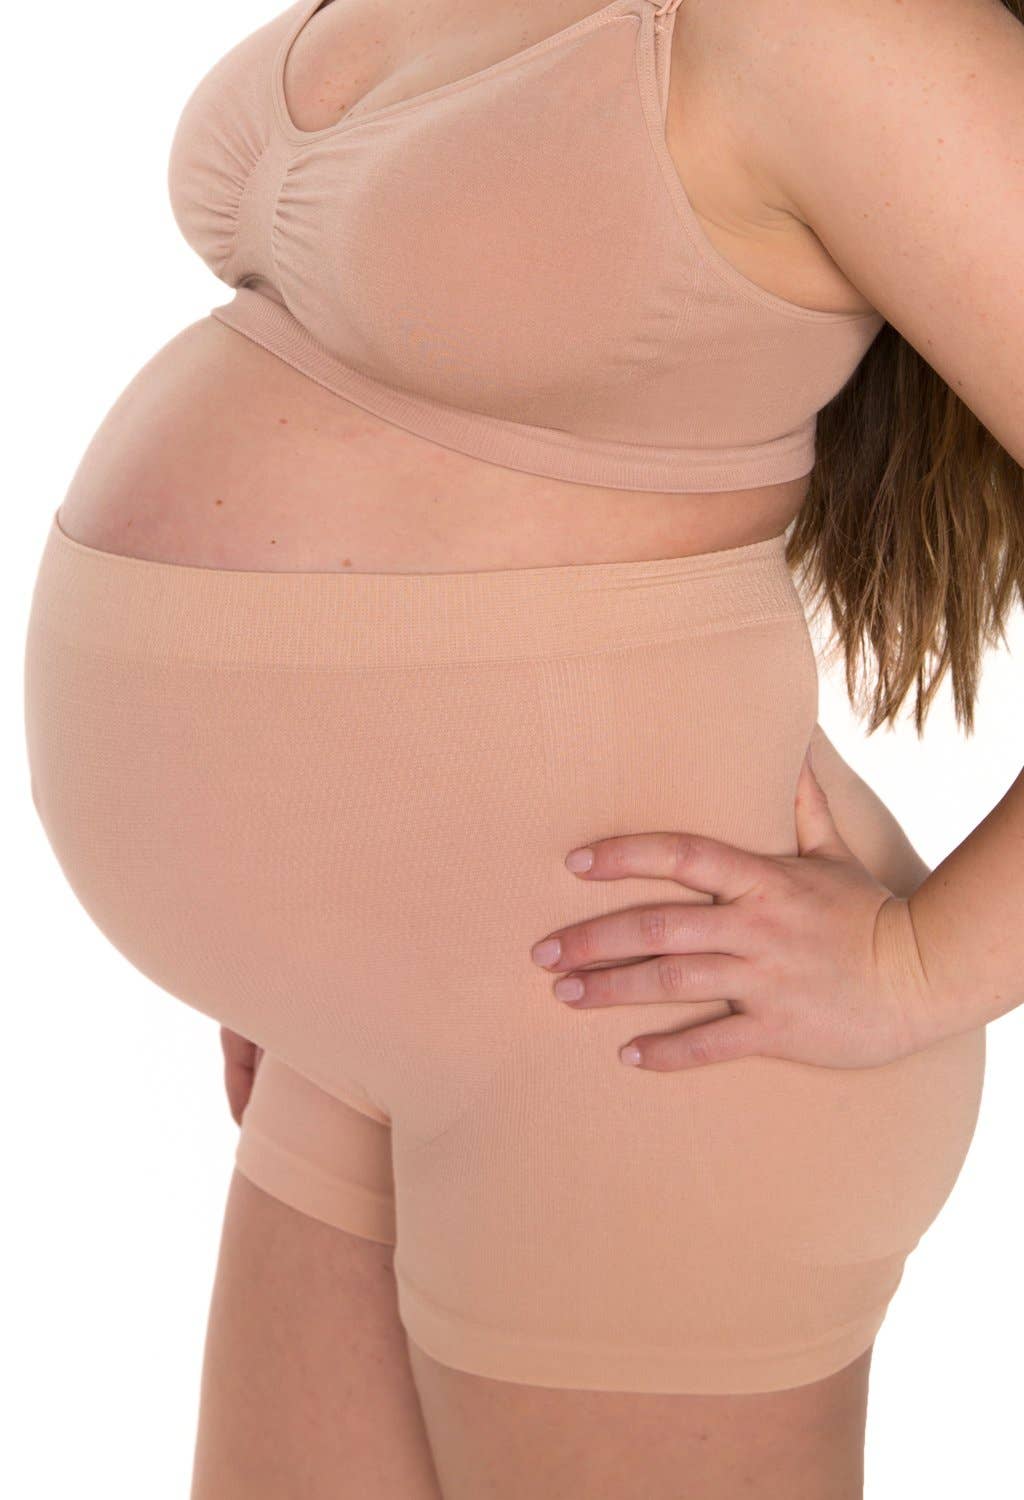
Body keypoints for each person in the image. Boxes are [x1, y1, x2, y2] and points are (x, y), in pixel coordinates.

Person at [22, 0, 1024, 1496]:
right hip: (379, 1016)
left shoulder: (831, 28)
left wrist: (917, 969)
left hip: (642, 1027)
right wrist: (314, 927)